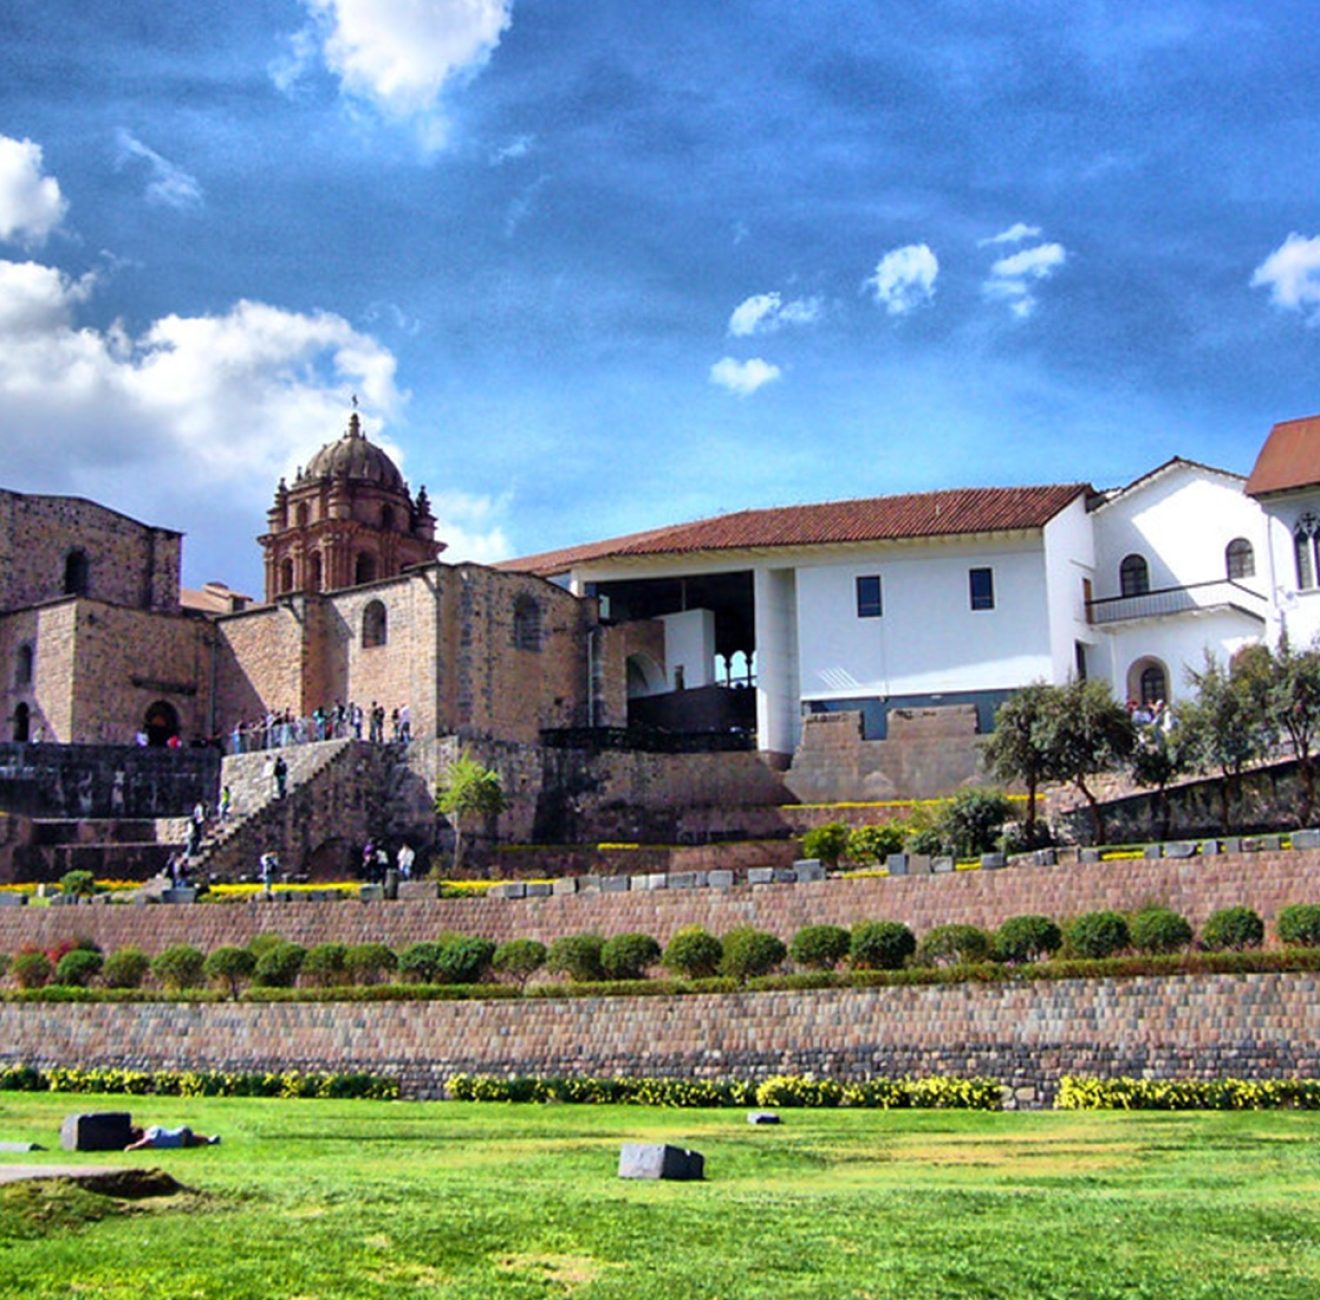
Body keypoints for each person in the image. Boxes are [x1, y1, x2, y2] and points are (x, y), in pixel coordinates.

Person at [125, 1124, 220, 1150]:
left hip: (179, 1137)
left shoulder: (150, 1133)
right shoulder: (154, 1129)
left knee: (194, 1141)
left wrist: (133, 1146)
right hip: (180, 1134)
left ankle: (210, 1140)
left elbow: (147, 1141)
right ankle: (210, 1140)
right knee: (195, 1141)